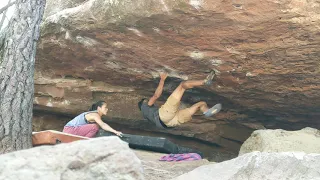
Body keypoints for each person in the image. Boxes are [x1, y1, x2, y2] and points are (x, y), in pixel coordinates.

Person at [138, 71, 221, 128]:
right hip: (164, 116)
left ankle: (206, 111)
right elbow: (156, 96)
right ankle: (205, 81)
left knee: (200, 104)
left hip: (170, 124)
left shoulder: (147, 115)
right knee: (182, 85)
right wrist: (162, 79)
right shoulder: (144, 106)